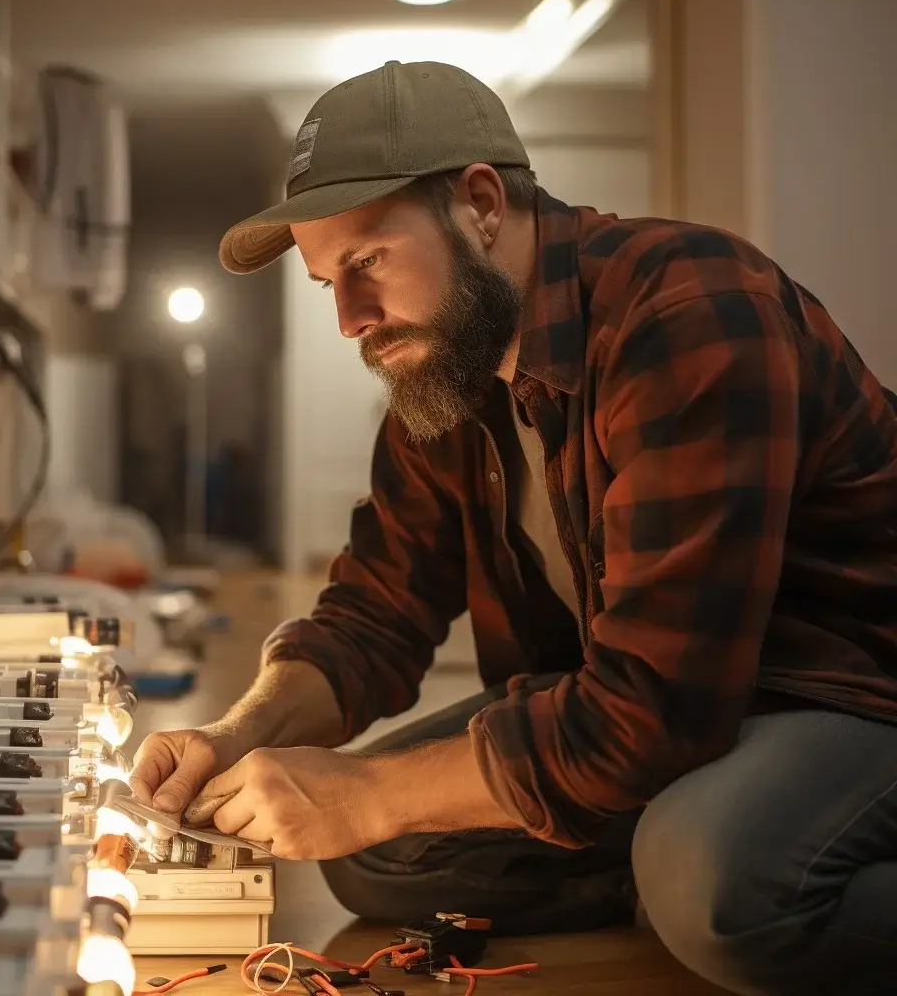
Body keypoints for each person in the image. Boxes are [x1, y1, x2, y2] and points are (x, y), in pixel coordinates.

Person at [130, 61, 897, 995]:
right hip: (673, 710)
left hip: (843, 691)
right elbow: (376, 613)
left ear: (482, 204)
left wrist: (366, 793)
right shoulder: (448, 374)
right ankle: (679, 829)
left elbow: (656, 705)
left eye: (367, 262)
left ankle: (697, 847)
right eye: (329, 280)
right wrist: (239, 733)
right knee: (369, 856)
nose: (349, 320)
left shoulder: (692, 312)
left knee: (719, 890)